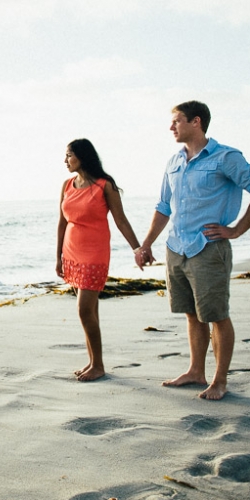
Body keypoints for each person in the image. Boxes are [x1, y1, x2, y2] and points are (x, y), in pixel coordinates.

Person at [135, 101, 250, 401]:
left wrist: (236, 230)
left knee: (217, 315)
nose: (171, 127)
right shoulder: (174, 161)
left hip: (208, 249)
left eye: (176, 121)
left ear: (196, 122)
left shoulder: (226, 157)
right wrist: (146, 245)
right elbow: (163, 207)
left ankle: (219, 381)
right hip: (176, 248)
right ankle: (195, 371)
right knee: (192, 314)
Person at [57, 138, 143, 382]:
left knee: (84, 310)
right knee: (90, 311)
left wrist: (137, 248)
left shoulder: (105, 185)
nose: (65, 160)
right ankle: (93, 361)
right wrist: (58, 257)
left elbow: (121, 220)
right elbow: (62, 222)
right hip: (71, 252)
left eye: (69, 155)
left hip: (95, 253)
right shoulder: (67, 185)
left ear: (82, 156)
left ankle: (99, 365)